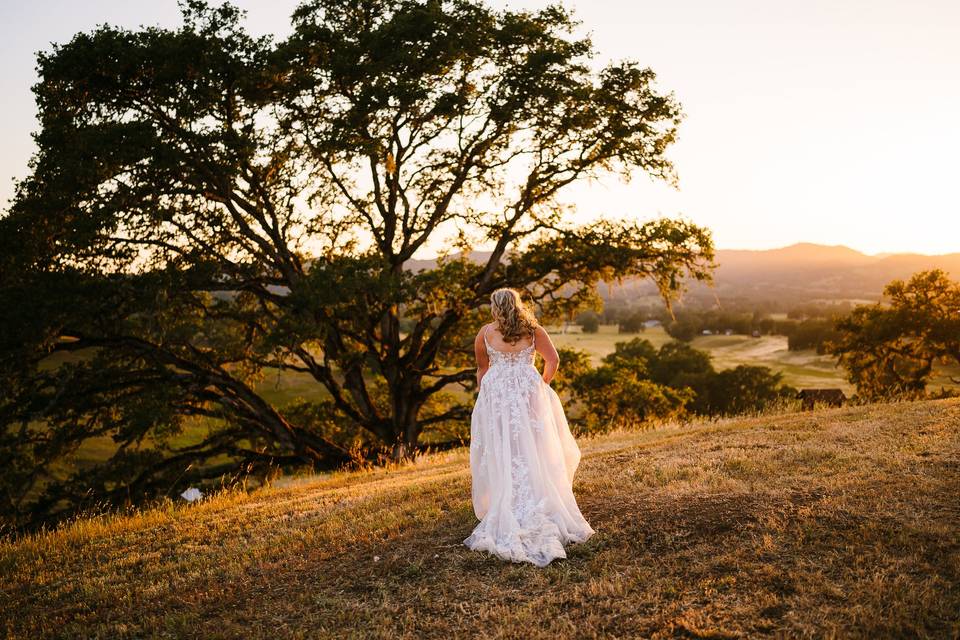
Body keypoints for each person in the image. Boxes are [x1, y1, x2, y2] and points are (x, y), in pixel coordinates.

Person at [463, 288, 595, 567]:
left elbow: (482, 369)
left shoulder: (485, 333)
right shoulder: (534, 331)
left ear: (495, 307)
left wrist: (485, 397)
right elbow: (553, 360)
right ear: (517, 305)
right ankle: (535, 496)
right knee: (535, 447)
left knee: (504, 448)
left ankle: (508, 499)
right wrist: (541, 385)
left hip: (498, 398)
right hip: (527, 395)